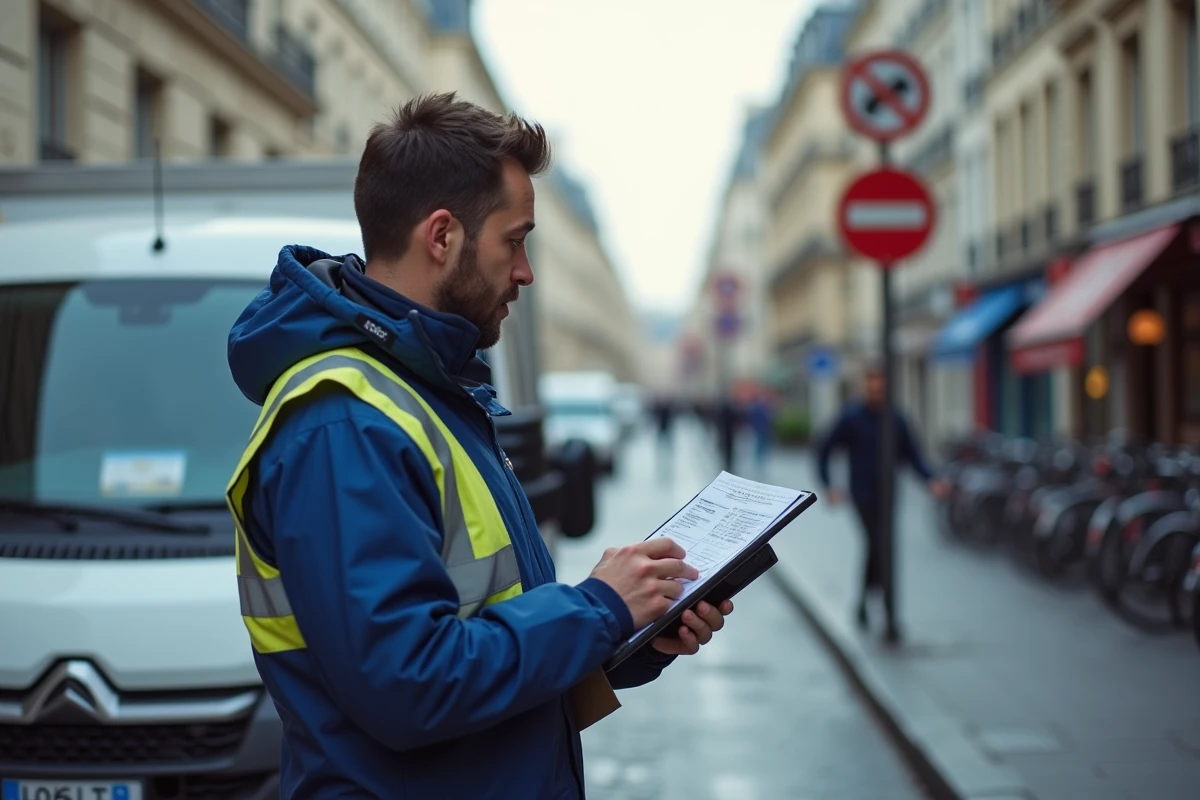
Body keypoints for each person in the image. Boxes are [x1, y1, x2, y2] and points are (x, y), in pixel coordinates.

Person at [223, 93, 733, 799]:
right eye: (514, 240)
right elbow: (410, 685)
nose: (525, 272)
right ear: (442, 237)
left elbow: (475, 658)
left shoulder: (426, 391)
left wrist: (625, 638)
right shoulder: (344, 422)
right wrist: (597, 607)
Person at [815, 364, 948, 639]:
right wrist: (829, 486)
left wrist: (931, 479)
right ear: (865, 386)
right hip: (861, 495)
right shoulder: (851, 416)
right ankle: (887, 613)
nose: (876, 391)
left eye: (881, 386)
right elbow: (825, 449)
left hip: (889, 496)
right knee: (878, 546)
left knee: (879, 549)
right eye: (872, 386)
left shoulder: (896, 418)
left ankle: (864, 603)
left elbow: (913, 454)